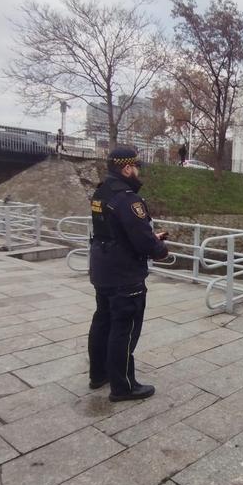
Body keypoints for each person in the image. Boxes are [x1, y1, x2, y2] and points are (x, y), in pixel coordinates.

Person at [87, 147, 169, 402]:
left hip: (102, 268)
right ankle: (123, 386)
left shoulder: (101, 192)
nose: (137, 172)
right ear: (126, 168)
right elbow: (144, 242)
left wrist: (145, 239)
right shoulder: (128, 199)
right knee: (124, 328)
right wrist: (160, 249)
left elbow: (112, 231)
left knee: (103, 322)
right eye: (136, 167)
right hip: (124, 274)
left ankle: (99, 374)